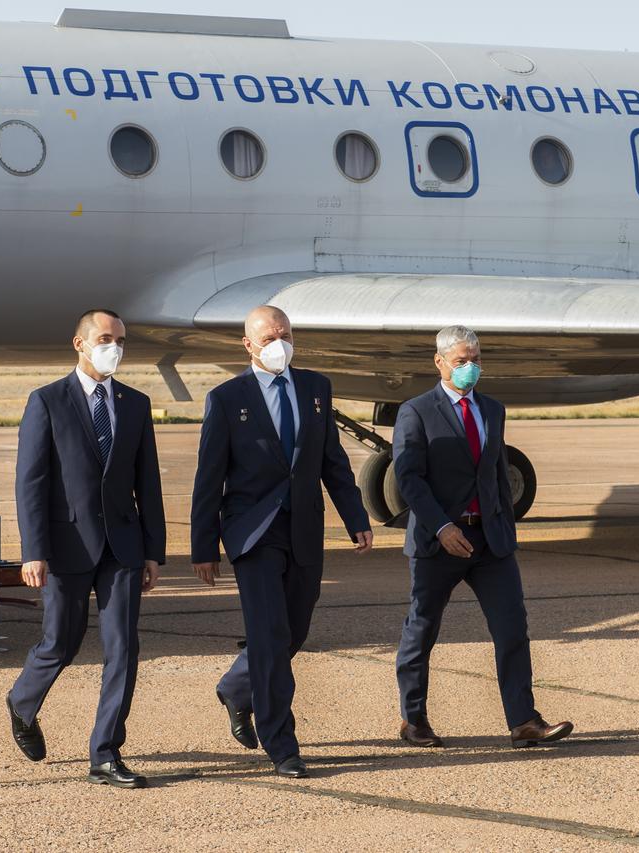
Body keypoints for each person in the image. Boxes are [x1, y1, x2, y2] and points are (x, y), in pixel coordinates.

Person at [190, 304, 373, 778]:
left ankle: (237, 687)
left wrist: (356, 516)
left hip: (304, 527)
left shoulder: (316, 388)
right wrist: (203, 547)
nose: (280, 345)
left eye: (286, 335)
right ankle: (282, 743)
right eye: (269, 338)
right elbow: (209, 478)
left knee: (293, 633)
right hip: (253, 533)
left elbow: (332, 460)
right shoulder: (228, 398)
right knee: (269, 638)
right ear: (248, 345)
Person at [6, 308, 166, 790]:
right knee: (61, 643)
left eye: (119, 339)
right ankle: (22, 701)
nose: (113, 346)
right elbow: (30, 483)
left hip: (123, 546)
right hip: (65, 545)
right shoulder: (47, 401)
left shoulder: (136, 404)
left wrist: (153, 551)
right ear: (79, 344)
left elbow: (149, 485)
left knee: (123, 648)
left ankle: (106, 752)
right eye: (103, 338)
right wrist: (34, 549)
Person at [391, 325, 573, 750]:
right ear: (439, 362)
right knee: (421, 631)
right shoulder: (415, 412)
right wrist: (442, 526)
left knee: (512, 629)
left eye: (475, 359)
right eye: (461, 361)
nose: (470, 368)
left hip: (489, 541)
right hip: (440, 542)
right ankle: (413, 719)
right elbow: (409, 479)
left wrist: (504, 529)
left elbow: (495, 474)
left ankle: (524, 721)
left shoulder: (492, 409)